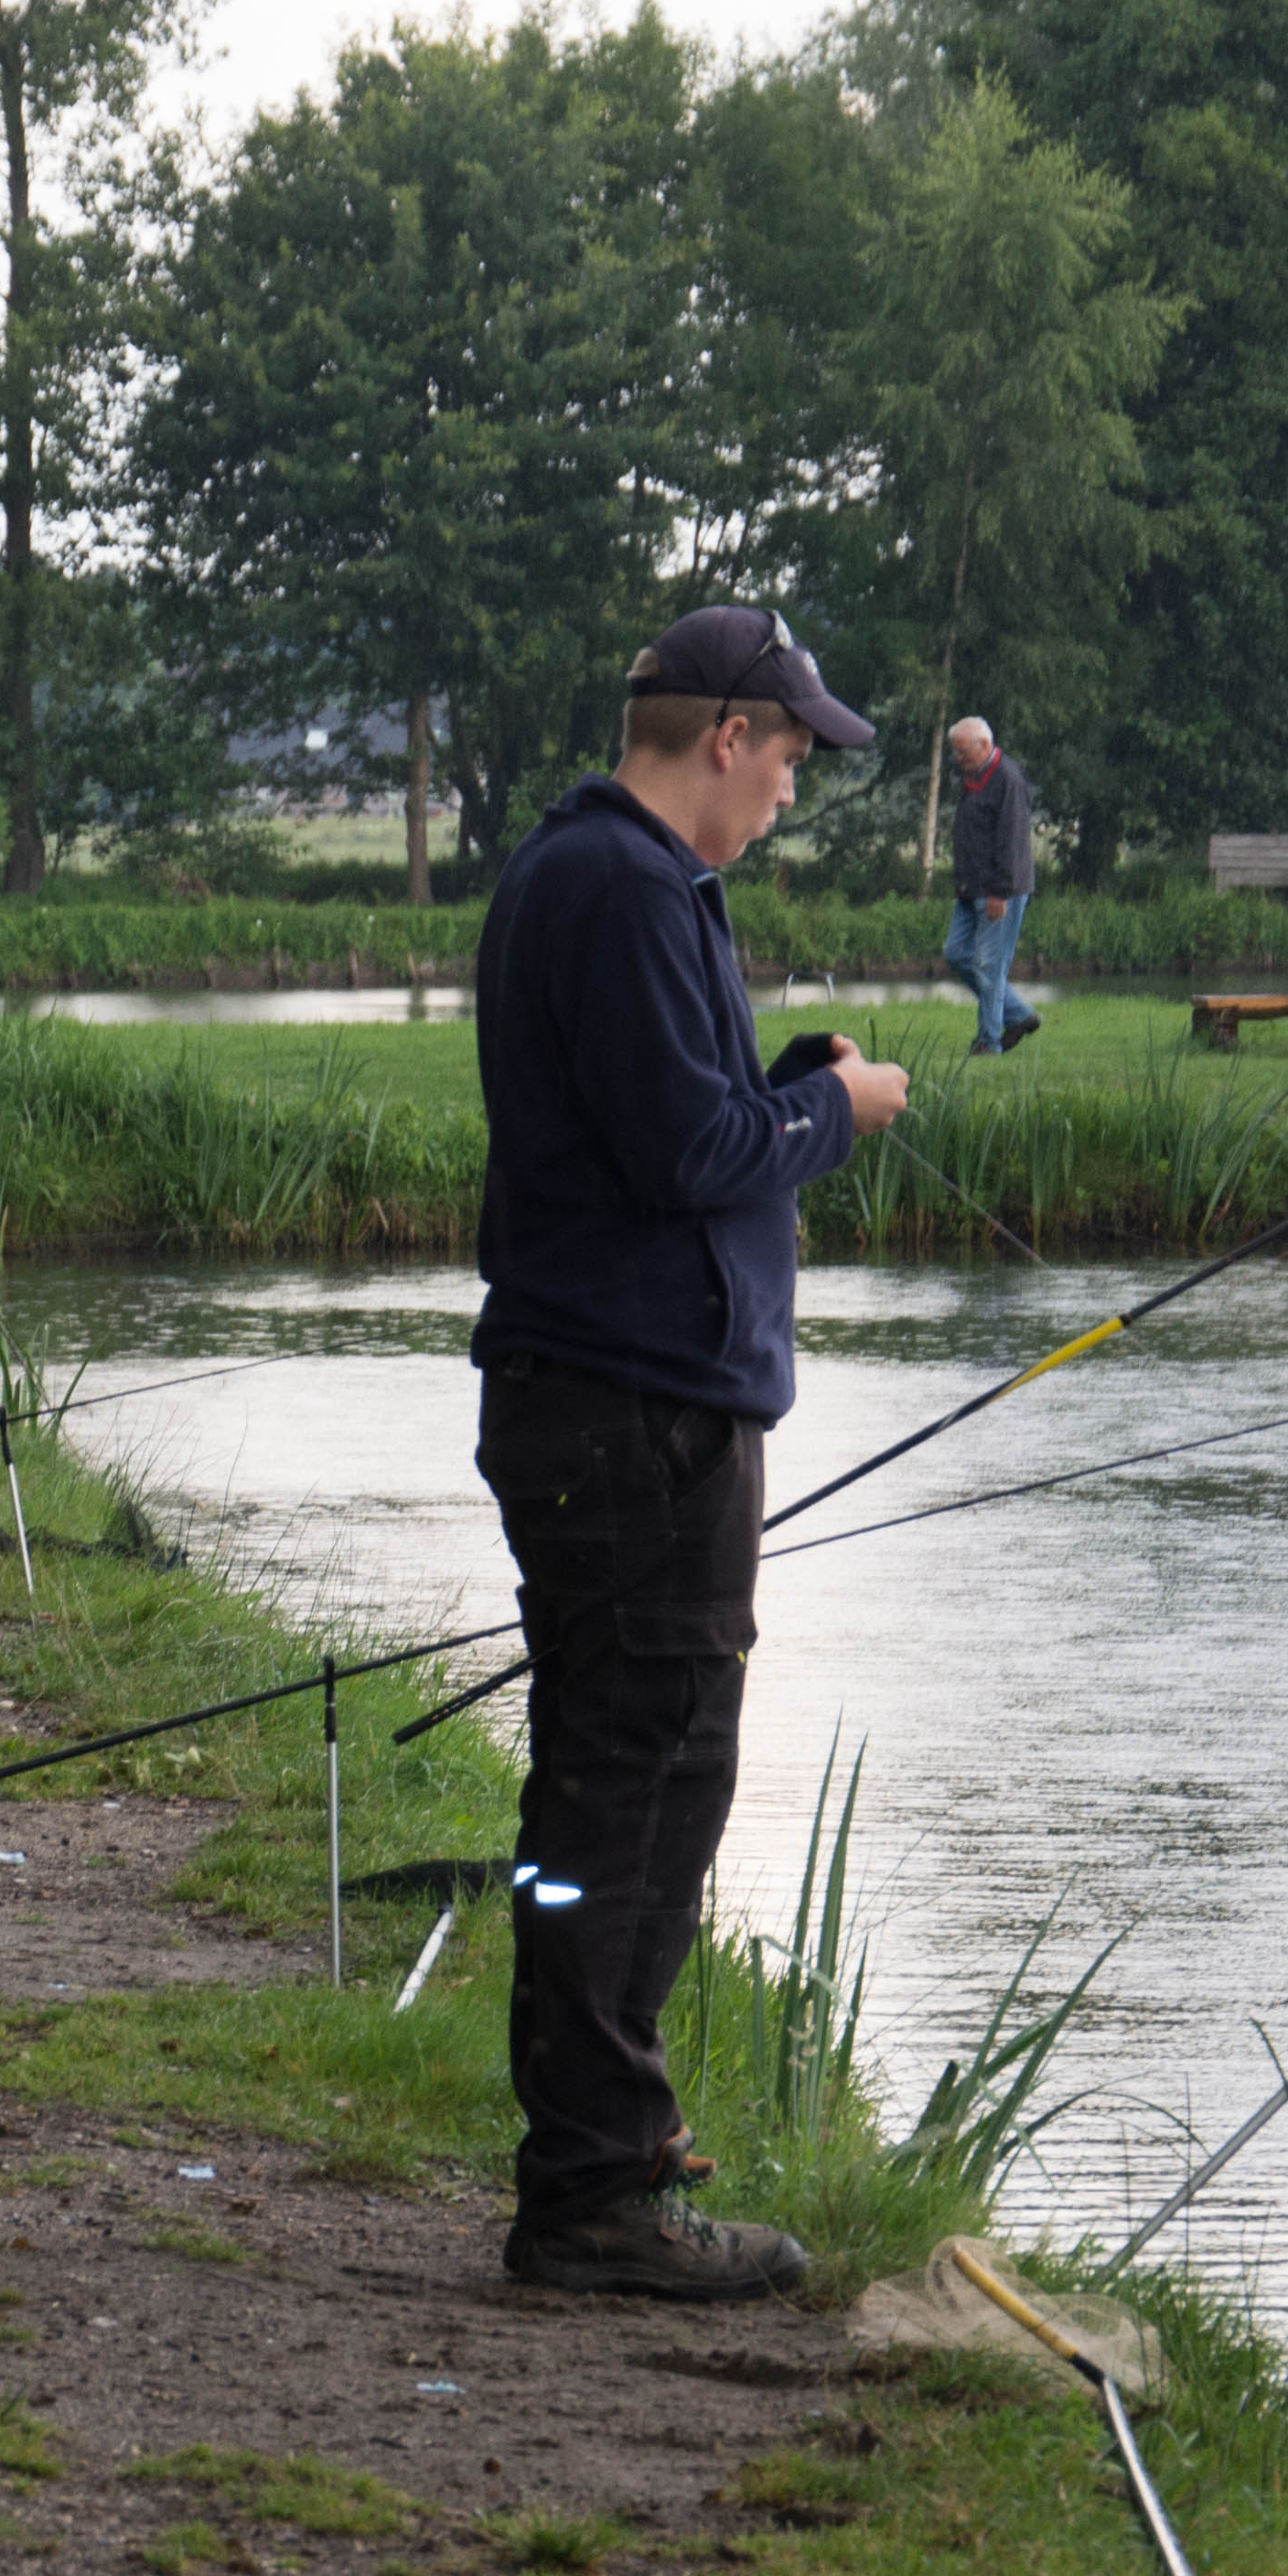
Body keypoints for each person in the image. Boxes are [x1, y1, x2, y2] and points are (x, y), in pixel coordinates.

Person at [471, 606, 912, 2303]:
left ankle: (600, 2154)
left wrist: (778, 1081)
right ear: (724, 735)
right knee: (635, 1786)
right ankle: (593, 2187)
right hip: (634, 1421)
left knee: (619, 1779)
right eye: (792, 754)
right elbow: (691, 1153)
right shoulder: (629, 887)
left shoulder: (595, 879)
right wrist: (838, 1113)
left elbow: (677, 1116)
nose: (795, 787)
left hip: (620, 1409)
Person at [943, 716, 1040, 1054]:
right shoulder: (975, 776)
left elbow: (1012, 841)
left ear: (984, 745)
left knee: (989, 966)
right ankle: (1018, 1015)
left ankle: (988, 1042)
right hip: (971, 888)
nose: (958, 758)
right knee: (955, 953)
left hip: (1000, 890)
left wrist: (1000, 892)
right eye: (955, 752)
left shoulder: (1006, 779)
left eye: (962, 751)